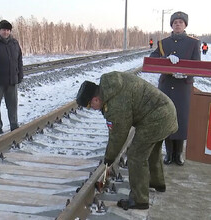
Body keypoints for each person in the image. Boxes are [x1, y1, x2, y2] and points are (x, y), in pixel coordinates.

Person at [76, 71, 178, 210]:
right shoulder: (111, 86)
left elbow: (118, 135)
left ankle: (139, 200)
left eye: (89, 106)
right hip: (165, 110)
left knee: (135, 155)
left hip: (158, 117)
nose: (92, 109)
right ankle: (156, 182)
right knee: (151, 149)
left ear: (95, 99)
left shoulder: (115, 105)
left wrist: (109, 158)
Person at [150, 11, 201, 166]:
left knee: (181, 119)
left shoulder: (193, 43)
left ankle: (178, 153)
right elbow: (152, 59)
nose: (177, 24)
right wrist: (165, 60)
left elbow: (197, 64)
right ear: (171, 25)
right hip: (166, 85)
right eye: (175, 22)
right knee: (166, 118)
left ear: (185, 25)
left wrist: (186, 74)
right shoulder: (163, 43)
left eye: (180, 22)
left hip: (183, 87)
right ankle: (169, 153)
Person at [0, 20, 23, 134]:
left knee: (12, 104)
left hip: (12, 79)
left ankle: (14, 124)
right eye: (4, 30)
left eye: (8, 30)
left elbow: (19, 60)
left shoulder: (14, 43)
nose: (6, 32)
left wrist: (20, 75)